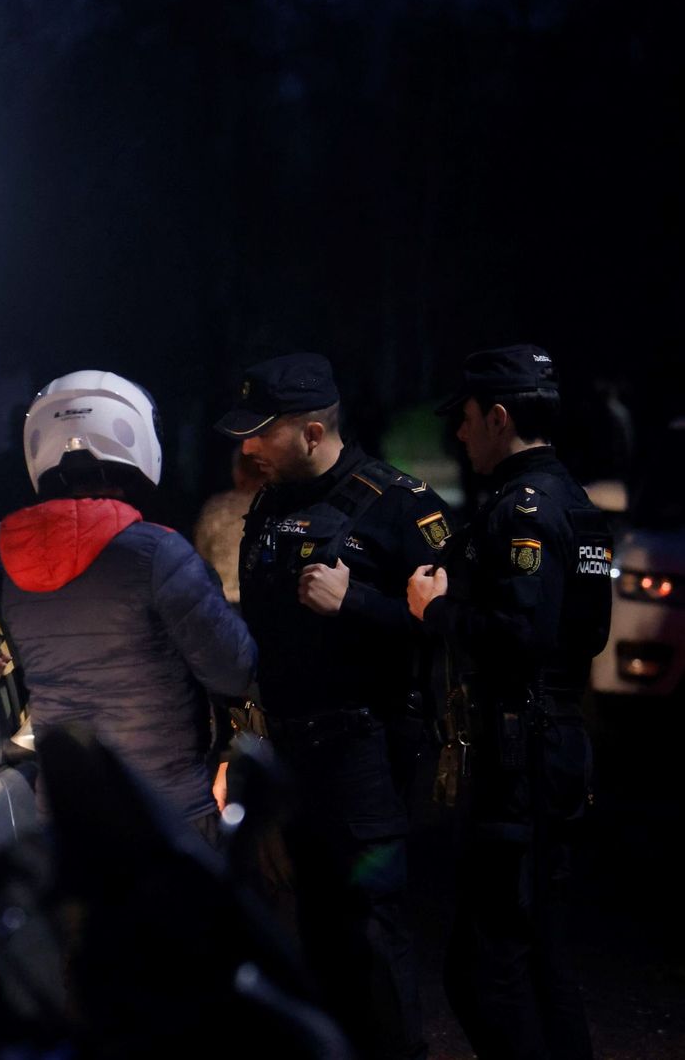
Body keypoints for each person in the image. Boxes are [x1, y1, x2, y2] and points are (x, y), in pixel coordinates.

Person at [215, 352, 448, 1060]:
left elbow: (450, 630)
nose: (247, 446)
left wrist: (359, 604)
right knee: (313, 933)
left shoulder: (402, 505)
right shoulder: (273, 500)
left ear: (313, 431)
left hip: (362, 753)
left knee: (372, 934)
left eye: (262, 433)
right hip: (288, 753)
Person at [407, 344, 613, 1060]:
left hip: (520, 749)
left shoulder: (522, 508)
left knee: (484, 971)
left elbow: (523, 632)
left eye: (466, 419)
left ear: (499, 418)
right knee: (543, 957)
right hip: (555, 741)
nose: (459, 435)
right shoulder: (575, 502)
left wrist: (435, 613)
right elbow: (585, 635)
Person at [0, 370, 256, 845]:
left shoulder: (10, 562)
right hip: (164, 807)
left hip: (65, 809)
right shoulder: (157, 553)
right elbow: (232, 670)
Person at [192, 448, 269, 606]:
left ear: (238, 471)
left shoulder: (216, 508)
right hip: (263, 605)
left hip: (221, 602)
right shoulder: (281, 510)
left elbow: (201, 556)